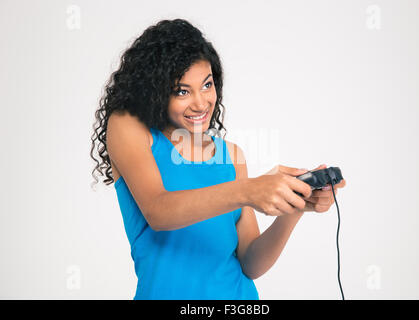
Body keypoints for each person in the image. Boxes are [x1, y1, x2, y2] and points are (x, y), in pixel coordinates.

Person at [90, 18, 346, 300]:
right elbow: (159, 211)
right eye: (182, 91)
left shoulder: (231, 156)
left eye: (207, 85)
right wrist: (248, 190)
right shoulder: (129, 127)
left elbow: (250, 262)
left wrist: (294, 206)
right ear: (154, 89)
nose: (201, 103)